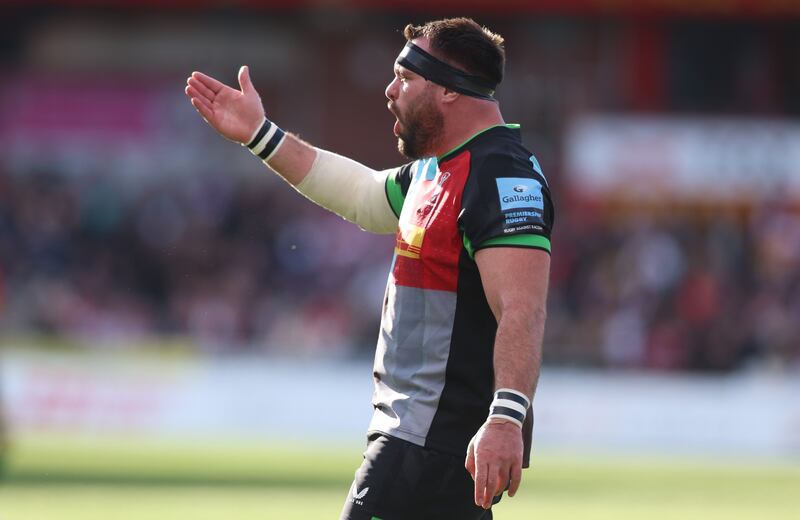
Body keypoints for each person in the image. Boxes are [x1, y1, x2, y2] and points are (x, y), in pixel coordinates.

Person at [185, 17, 553, 520]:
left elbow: (522, 310)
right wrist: (258, 133)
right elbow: (359, 194)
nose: (389, 89)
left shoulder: (500, 174)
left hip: (430, 446)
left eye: (405, 76)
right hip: (420, 445)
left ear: (448, 89)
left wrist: (507, 419)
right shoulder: (435, 170)